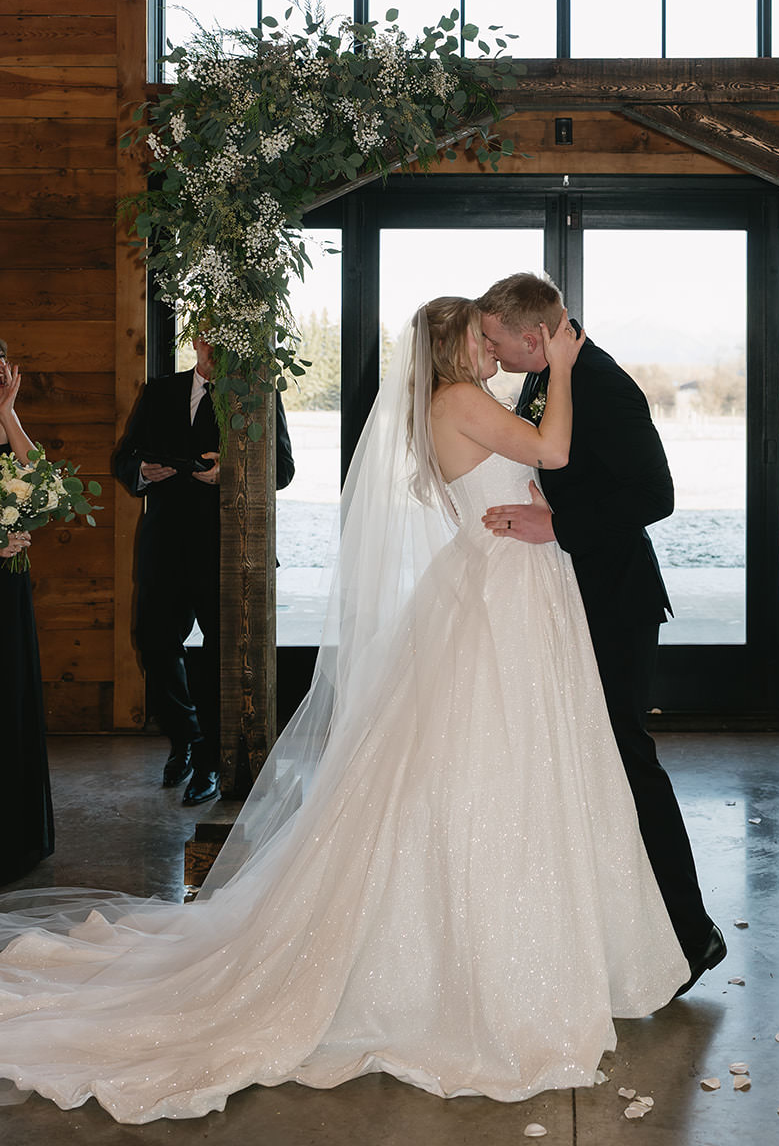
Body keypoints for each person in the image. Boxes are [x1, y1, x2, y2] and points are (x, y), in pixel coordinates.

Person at [0, 298, 688, 1121]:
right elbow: (554, 450)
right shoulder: (458, 401)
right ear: (456, 343)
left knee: (512, 758)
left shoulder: (461, 403)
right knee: (491, 758)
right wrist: (567, 370)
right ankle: (473, 954)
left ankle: (543, 939)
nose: (493, 345)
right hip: (502, 589)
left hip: (509, 585)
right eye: (481, 333)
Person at [477, 273, 725, 994]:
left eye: (494, 338)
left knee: (625, 759)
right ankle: (610, 924)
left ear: (531, 338)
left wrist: (558, 525)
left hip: (613, 601)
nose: (486, 348)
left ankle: (689, 933)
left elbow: (655, 495)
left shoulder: (603, 385)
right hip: (567, 594)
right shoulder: (553, 372)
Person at [113, 336, 295, 806]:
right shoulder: (160, 391)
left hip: (227, 548)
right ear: (196, 340)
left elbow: (282, 469)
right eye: (211, 339)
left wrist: (230, 471)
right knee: (153, 644)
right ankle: (188, 738)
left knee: (221, 658)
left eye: (228, 341)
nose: (217, 349)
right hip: (164, 546)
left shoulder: (256, 395)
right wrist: (142, 471)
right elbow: (124, 457)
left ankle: (211, 762)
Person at [0, 343, 55, 885]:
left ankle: (13, 837)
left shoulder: (4, 421)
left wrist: (9, 412)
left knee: (9, 696)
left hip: (7, 587)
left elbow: (39, 482)